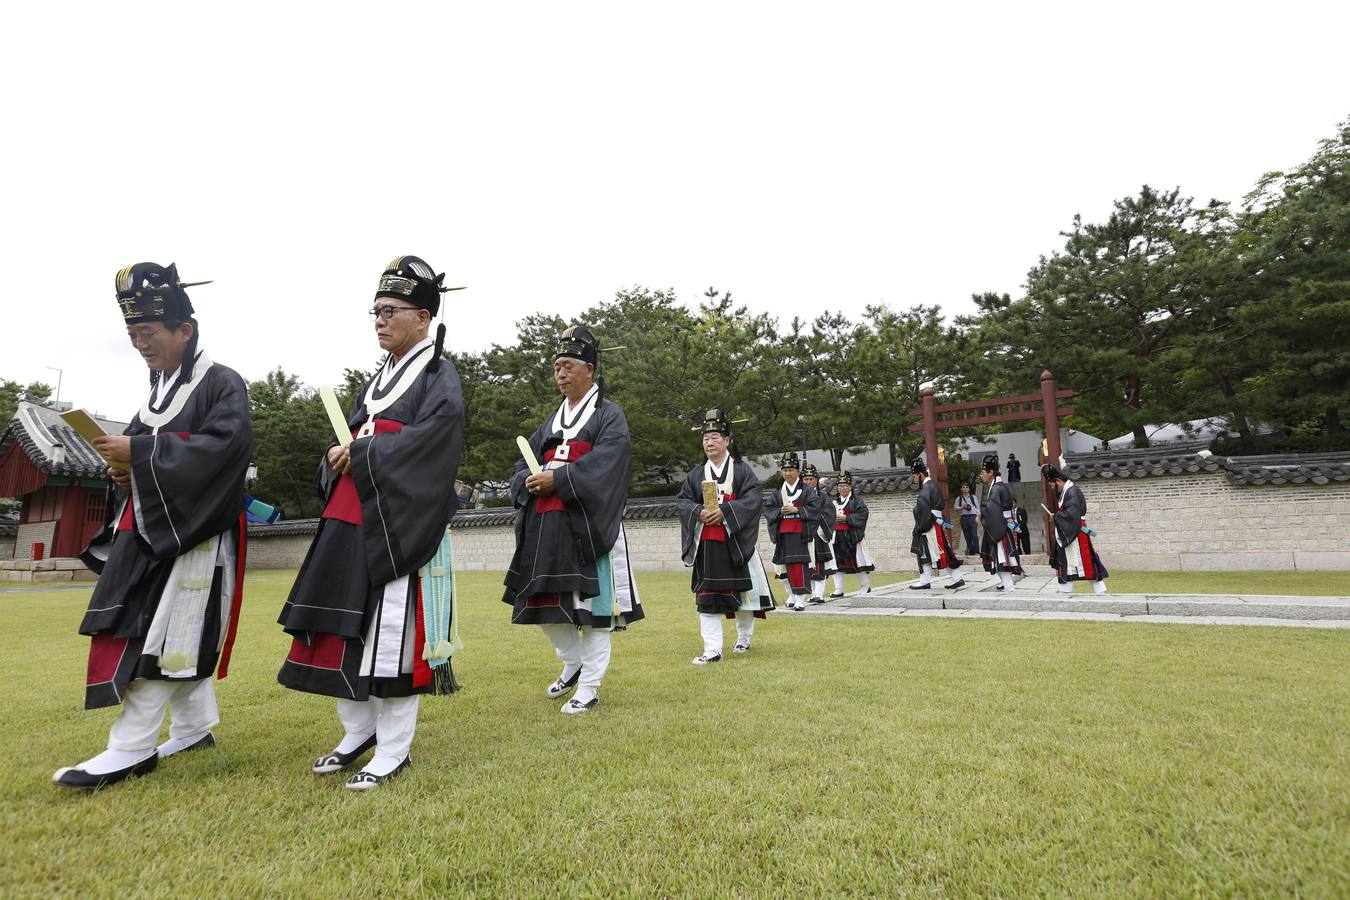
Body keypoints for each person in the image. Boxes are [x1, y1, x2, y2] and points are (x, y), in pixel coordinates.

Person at [53, 263, 252, 790]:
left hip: (197, 535)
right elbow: (146, 458)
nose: (140, 343)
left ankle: (131, 746)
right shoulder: (156, 388)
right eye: (132, 334)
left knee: (162, 632)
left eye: (149, 333)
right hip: (153, 528)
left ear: (184, 330)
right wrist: (127, 470)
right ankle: (193, 727)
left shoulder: (222, 383)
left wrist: (139, 451)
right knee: (166, 627)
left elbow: (225, 452)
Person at [277, 255, 465, 790]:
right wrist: (340, 453)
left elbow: (437, 441)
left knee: (391, 635)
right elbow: (356, 437)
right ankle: (356, 732)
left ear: (424, 316)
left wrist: (366, 453)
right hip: (348, 514)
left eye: (391, 309)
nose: (380, 319)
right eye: (375, 311)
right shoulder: (378, 377)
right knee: (341, 629)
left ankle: (394, 750)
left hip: (396, 522)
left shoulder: (438, 376)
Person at [503, 325, 643, 714]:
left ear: (590, 369)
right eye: (556, 367)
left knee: (594, 613)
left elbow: (609, 464)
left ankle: (591, 686)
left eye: (568, 366)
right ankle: (573, 663)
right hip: (546, 529)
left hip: (587, 528)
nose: (561, 374)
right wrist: (526, 480)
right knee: (542, 603)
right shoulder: (550, 422)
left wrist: (559, 477)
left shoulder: (609, 416)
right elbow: (521, 462)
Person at [676, 408, 775, 664]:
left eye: (715, 437)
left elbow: (754, 499)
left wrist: (726, 512)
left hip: (735, 544)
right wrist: (699, 512)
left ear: (727, 440)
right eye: (705, 438)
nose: (709, 442)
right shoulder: (696, 474)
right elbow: (683, 501)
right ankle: (712, 650)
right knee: (706, 597)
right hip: (707, 545)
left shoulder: (742, 471)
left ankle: (743, 638)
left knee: (742, 596)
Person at [764, 452, 824, 611]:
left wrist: (797, 509)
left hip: (800, 534)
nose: (787, 473)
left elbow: (815, 507)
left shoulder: (806, 490)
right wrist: (780, 511)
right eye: (784, 470)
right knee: (782, 567)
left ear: (798, 471)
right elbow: (768, 508)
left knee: (799, 565)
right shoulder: (778, 492)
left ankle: (800, 599)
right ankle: (790, 594)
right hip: (783, 534)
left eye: (791, 470)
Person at [1042, 463, 1109, 594]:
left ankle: (1100, 592)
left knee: (1087, 564)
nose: (1052, 487)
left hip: (1077, 534)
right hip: (1074, 532)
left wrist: (1055, 517)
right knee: (1071, 564)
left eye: (1052, 484)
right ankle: (1065, 592)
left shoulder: (1072, 492)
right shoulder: (1069, 492)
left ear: (1058, 481)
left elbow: (1072, 515)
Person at [908, 457, 965, 591]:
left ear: (921, 474)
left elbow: (923, 509)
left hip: (930, 525)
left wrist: (917, 515)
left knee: (927, 552)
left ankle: (925, 581)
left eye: (915, 476)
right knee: (941, 551)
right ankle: (956, 578)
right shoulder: (932, 486)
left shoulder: (927, 489)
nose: (914, 479)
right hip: (935, 522)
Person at [978, 453, 1023, 591]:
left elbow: (993, 510)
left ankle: (1009, 588)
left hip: (1000, 527)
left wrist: (981, 515)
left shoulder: (997, 488)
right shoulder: (998, 486)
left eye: (983, 472)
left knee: (1002, 558)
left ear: (991, 472)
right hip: (1002, 525)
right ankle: (1006, 585)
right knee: (999, 558)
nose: (981, 475)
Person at [828, 471, 873, 598]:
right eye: (840, 485)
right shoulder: (834, 502)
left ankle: (865, 586)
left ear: (850, 487)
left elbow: (863, 514)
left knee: (858, 562)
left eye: (845, 485)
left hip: (852, 536)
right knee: (836, 563)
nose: (842, 488)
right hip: (837, 537)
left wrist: (847, 518)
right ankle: (838, 589)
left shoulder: (857, 501)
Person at [799, 462, 835, 604]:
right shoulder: (798, 496)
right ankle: (813, 593)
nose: (808, 482)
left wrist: (818, 523)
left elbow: (829, 512)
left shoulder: (823, 496)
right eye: (805, 479)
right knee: (808, 565)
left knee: (819, 565)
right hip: (803, 534)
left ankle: (819, 594)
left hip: (818, 534)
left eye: (811, 479)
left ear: (816, 480)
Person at [954, 482, 979, 554]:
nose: (965, 489)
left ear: (969, 488)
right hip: (964, 518)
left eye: (967, 487)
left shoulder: (973, 497)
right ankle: (971, 551)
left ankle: (976, 550)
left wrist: (978, 516)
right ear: (961, 489)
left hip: (973, 517)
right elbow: (955, 508)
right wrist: (962, 507)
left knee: (974, 535)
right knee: (967, 535)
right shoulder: (959, 498)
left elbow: (978, 508)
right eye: (963, 487)